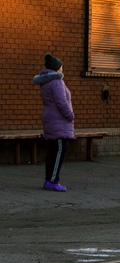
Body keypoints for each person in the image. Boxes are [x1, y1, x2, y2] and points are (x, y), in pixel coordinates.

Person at [34, 54, 74, 192]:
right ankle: (52, 181)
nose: (62, 70)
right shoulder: (57, 82)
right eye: (61, 67)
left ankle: (49, 179)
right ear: (57, 69)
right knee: (59, 150)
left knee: (53, 151)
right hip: (58, 120)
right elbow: (61, 102)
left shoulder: (46, 81)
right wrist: (70, 115)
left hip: (51, 119)